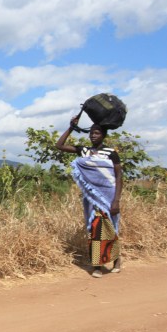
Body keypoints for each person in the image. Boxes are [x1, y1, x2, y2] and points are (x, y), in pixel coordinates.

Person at [55, 115, 123, 278]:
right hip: (92, 198)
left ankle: (116, 261)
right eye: (91, 133)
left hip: (109, 196)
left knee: (111, 229)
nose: (93, 135)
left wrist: (116, 201)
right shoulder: (84, 151)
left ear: (103, 135)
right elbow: (59, 145)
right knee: (96, 230)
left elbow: (119, 176)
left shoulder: (111, 153)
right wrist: (71, 127)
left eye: (97, 133)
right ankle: (97, 266)